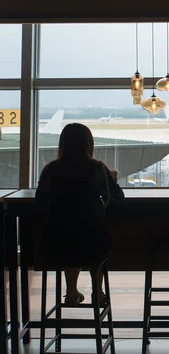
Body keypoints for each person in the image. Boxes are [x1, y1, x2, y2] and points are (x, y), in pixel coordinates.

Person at [36, 123, 125, 306]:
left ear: (62, 144)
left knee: (69, 237)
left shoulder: (50, 170)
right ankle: (98, 293)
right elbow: (117, 198)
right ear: (88, 144)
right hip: (92, 245)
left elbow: (40, 202)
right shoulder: (97, 169)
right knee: (94, 236)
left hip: (55, 245)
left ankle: (71, 292)